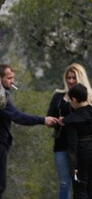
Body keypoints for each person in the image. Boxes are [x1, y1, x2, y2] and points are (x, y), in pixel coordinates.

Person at [0, 64, 58, 198]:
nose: (12, 81)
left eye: (12, 78)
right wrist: (43, 120)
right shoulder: (2, 98)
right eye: (9, 78)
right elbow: (18, 117)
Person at [47, 62, 92, 199]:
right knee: (64, 182)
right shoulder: (58, 96)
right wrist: (54, 121)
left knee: (83, 183)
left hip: (82, 148)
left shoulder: (91, 99)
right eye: (68, 78)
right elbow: (49, 117)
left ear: (80, 78)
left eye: (73, 78)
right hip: (62, 145)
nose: (70, 81)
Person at [62, 83, 92, 199]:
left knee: (79, 188)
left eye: (70, 100)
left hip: (82, 154)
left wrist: (72, 166)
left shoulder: (72, 120)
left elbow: (72, 145)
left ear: (74, 99)